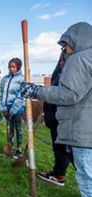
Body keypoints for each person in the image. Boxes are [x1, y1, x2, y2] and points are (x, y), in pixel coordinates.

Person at [21, 22, 92, 197]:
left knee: (87, 179)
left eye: (65, 45)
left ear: (75, 40)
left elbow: (69, 93)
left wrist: (35, 91)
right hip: (86, 129)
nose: (64, 50)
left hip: (83, 130)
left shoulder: (79, 58)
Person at [37, 49, 74, 187]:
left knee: (67, 150)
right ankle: (58, 173)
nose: (61, 63)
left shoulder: (71, 75)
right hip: (54, 117)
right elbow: (53, 84)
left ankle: (59, 174)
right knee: (59, 147)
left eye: (64, 60)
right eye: (60, 61)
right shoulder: (60, 73)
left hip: (63, 119)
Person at [0, 57, 25, 159]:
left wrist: (13, 110)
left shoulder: (22, 79)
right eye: (10, 67)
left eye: (13, 67)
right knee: (9, 129)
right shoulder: (5, 79)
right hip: (6, 108)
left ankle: (19, 149)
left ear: (18, 67)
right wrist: (3, 108)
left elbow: (21, 96)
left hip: (17, 108)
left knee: (18, 129)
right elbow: (1, 93)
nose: (11, 69)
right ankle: (9, 147)